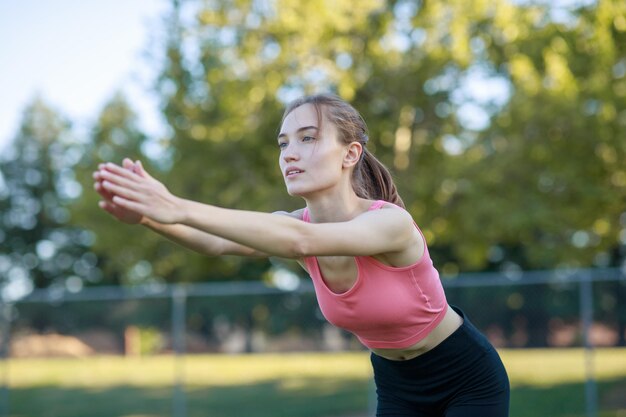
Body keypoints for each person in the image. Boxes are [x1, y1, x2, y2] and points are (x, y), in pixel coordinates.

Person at [93, 93, 510, 417]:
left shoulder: (390, 224)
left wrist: (178, 206)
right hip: (397, 381)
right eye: (283, 143)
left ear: (350, 154)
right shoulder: (293, 225)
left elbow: (300, 242)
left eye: (307, 138)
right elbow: (218, 243)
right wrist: (148, 218)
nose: (289, 153)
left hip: (465, 375)